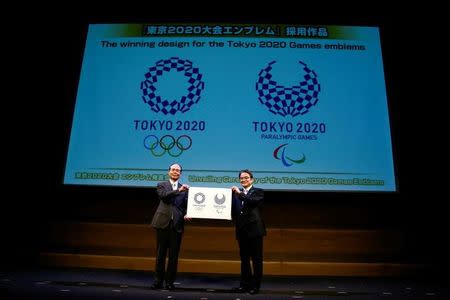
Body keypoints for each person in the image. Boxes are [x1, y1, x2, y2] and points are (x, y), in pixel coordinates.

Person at [150, 163, 190, 290]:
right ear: (169, 172)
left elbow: (184, 206)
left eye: (178, 170)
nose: (175, 172)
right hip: (162, 223)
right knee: (160, 254)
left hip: (176, 225)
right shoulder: (162, 184)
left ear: (180, 174)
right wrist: (179, 190)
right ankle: (157, 281)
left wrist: (186, 214)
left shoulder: (184, 189)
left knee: (173, 256)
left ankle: (169, 282)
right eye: (173, 170)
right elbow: (164, 196)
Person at [231, 169, 266, 295]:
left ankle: (255, 287)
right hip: (241, 231)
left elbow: (252, 202)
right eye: (241, 178)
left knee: (256, 260)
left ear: (252, 179)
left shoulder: (258, 192)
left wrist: (239, 193)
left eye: (246, 178)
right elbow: (232, 210)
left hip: (255, 231)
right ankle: (244, 285)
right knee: (244, 260)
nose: (243, 180)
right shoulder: (235, 194)